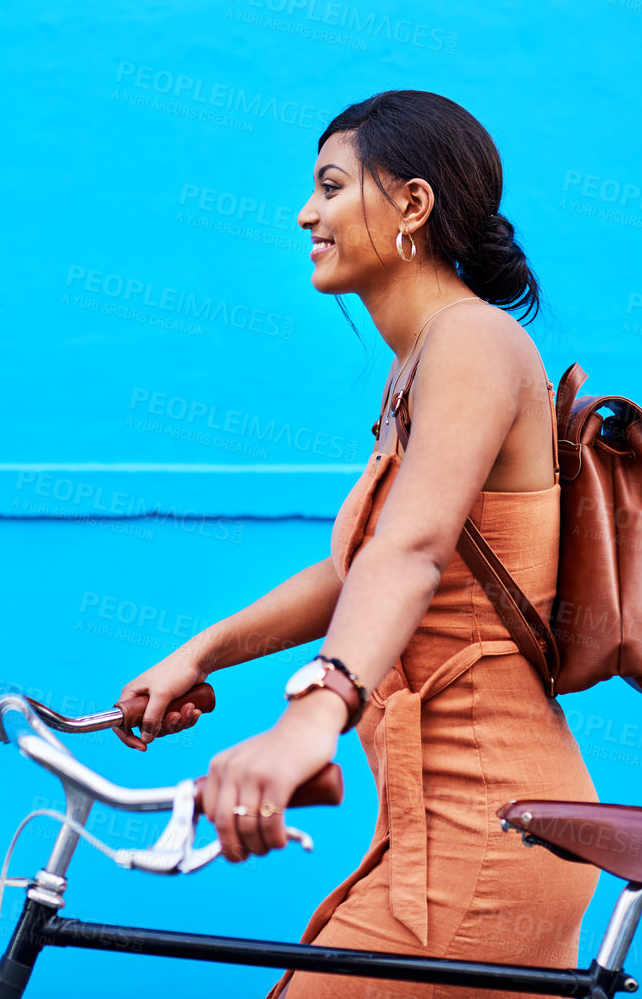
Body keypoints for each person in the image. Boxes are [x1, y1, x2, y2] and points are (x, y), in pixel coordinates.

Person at [116, 90, 599, 997]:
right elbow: (357, 572)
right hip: (437, 826)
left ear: (413, 204)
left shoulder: (475, 342)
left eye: (331, 187)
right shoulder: (415, 364)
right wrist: (203, 650)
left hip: (485, 829)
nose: (307, 213)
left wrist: (311, 713)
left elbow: (409, 553)